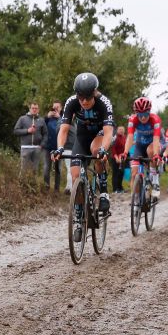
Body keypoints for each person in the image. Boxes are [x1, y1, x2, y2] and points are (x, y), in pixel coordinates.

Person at [51, 72, 115, 228]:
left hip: (100, 134)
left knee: (96, 150)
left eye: (88, 97)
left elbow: (108, 132)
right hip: (82, 137)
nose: (84, 101)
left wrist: (103, 150)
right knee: (74, 176)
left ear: (94, 93)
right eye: (81, 97)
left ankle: (104, 192)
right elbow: (64, 129)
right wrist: (59, 148)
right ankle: (79, 215)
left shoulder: (103, 102)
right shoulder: (72, 102)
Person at [123, 97, 162, 201]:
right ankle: (136, 199)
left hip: (152, 144)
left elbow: (156, 138)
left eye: (145, 114)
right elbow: (130, 137)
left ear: (149, 111)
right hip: (140, 146)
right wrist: (125, 152)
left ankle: (155, 182)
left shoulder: (155, 119)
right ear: (136, 113)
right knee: (134, 173)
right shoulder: (132, 119)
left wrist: (156, 154)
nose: (143, 117)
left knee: (151, 151)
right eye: (140, 114)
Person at [14, 102, 45, 174]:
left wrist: (42, 145)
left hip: (37, 148)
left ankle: (33, 184)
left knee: (35, 170)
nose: (34, 110)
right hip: (25, 147)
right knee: (24, 169)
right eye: (33, 108)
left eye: (36, 108)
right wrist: (27, 131)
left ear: (38, 110)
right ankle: (22, 184)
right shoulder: (22, 119)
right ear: (30, 109)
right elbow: (16, 131)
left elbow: (45, 134)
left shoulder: (41, 120)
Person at [42, 102, 62, 191]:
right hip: (48, 147)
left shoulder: (64, 118)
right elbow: (40, 125)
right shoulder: (47, 119)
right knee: (47, 167)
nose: (55, 109)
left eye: (57, 107)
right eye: (54, 107)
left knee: (58, 168)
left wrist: (59, 118)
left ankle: (56, 189)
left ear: (61, 108)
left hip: (59, 147)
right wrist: (47, 117)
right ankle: (46, 186)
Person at [110, 123, 127, 193]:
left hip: (122, 157)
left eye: (122, 129)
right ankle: (115, 189)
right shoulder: (115, 137)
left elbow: (125, 147)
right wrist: (116, 157)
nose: (121, 131)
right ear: (117, 130)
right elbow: (113, 148)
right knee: (115, 173)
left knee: (121, 172)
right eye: (120, 129)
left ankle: (120, 187)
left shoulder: (124, 137)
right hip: (115, 157)